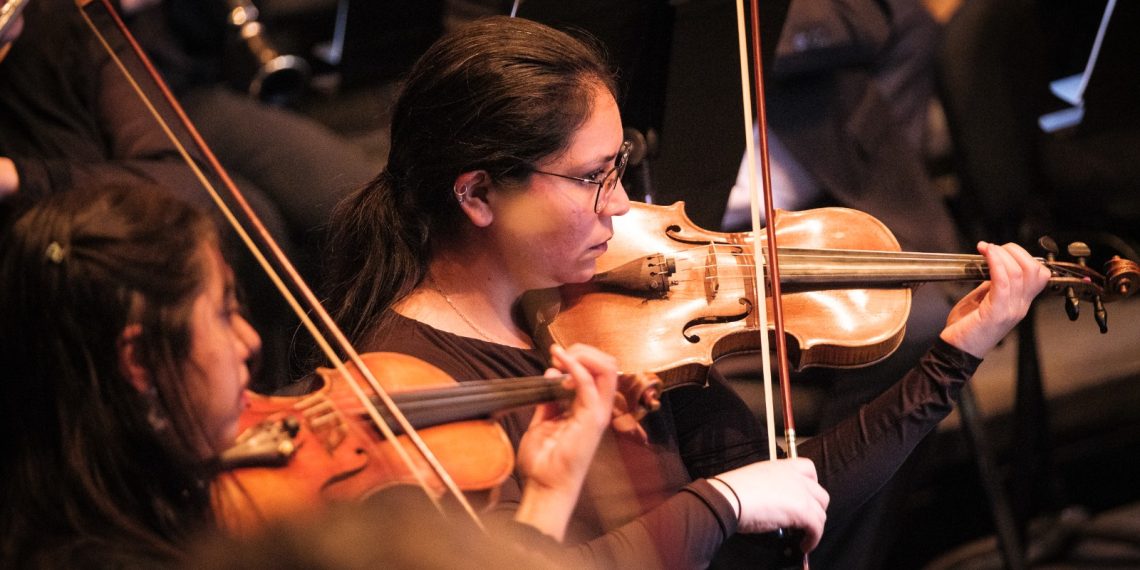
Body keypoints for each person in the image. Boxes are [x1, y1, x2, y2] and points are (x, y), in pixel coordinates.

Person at [323, 15, 1051, 568]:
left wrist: (955, 354)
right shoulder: (413, 388)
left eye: (621, 166)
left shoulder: (606, 316)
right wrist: (723, 503)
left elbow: (794, 491)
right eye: (591, 176)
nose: (619, 205)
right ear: (479, 195)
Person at [0, 183, 621, 567]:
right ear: (138, 362)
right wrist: (546, 504)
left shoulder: (87, 490)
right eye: (223, 313)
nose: (248, 343)